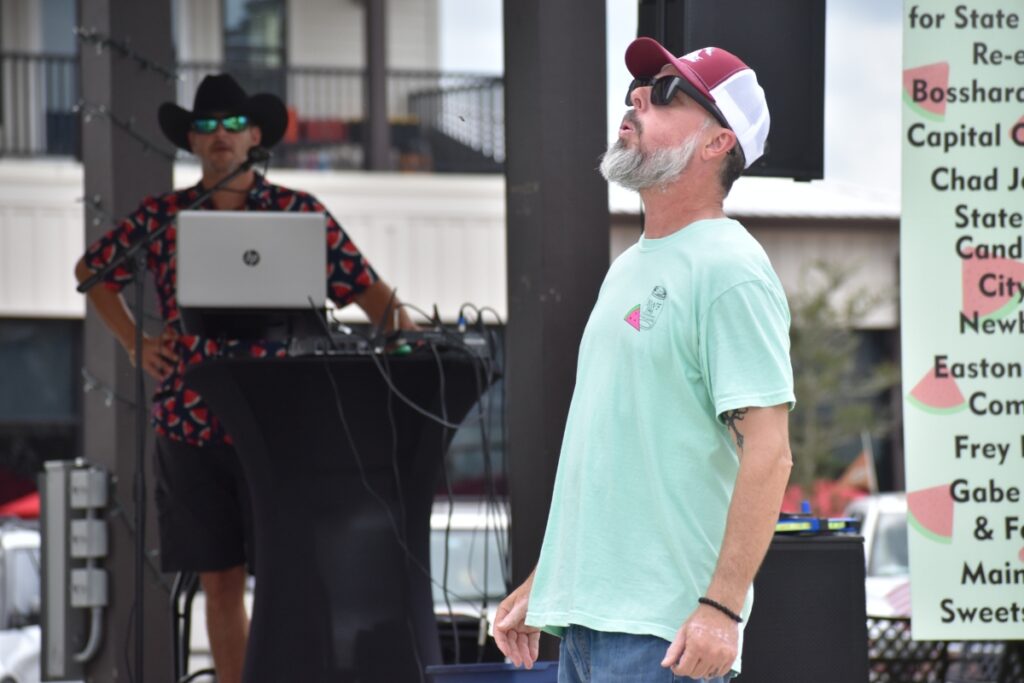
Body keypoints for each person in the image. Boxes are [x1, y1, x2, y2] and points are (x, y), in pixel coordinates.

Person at [74, 74, 413, 683]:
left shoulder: (299, 213)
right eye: (205, 127)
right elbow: (92, 271)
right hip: (189, 423)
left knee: (295, 575)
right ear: (192, 144)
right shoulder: (164, 216)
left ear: (255, 137)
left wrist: (395, 356)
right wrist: (136, 343)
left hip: (285, 429)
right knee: (219, 577)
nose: (219, 136)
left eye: (232, 125)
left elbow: (381, 303)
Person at [493, 38, 794, 682]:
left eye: (664, 94)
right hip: (589, 627)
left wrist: (720, 608)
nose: (635, 100)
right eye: (637, 89)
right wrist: (547, 584)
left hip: (666, 637)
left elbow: (770, 453)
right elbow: (614, 456)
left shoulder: (730, 269)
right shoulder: (629, 266)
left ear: (718, 142)